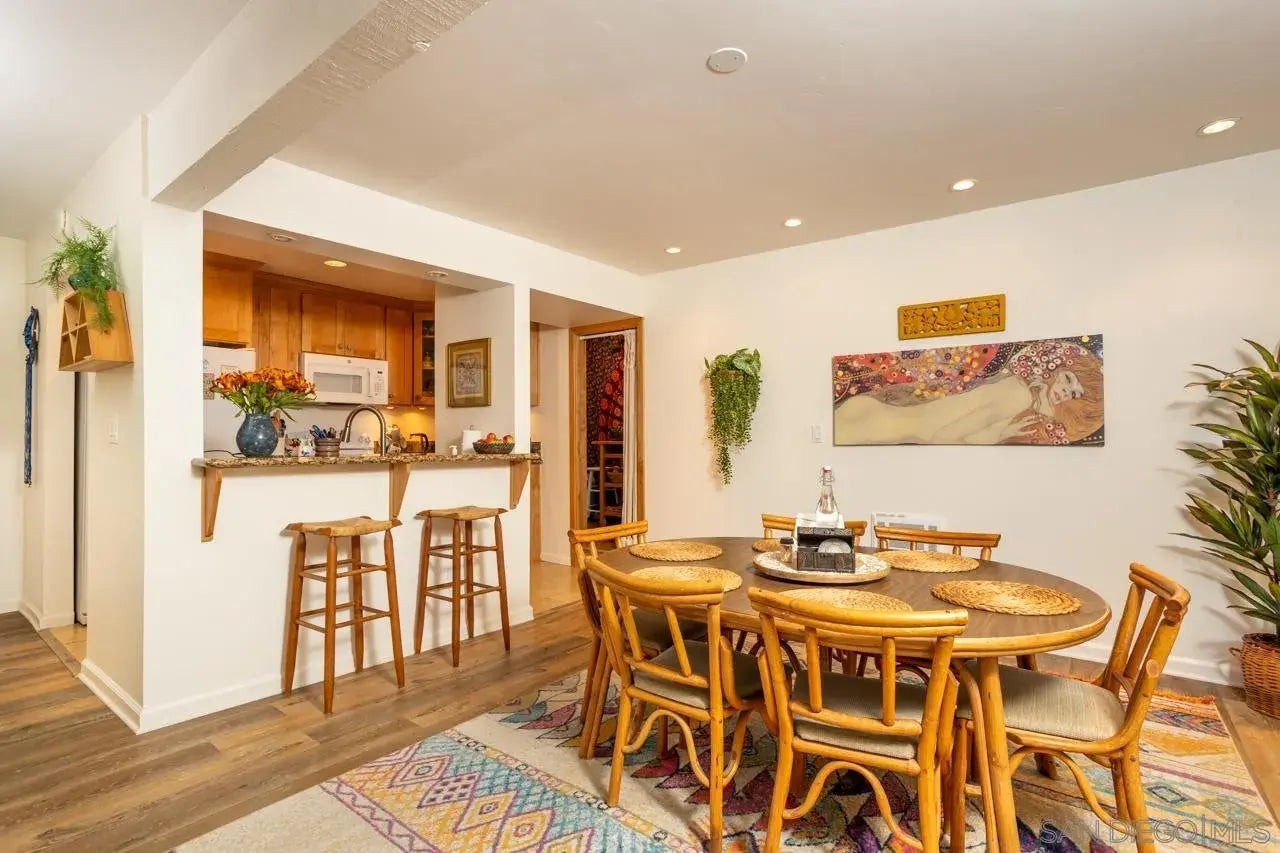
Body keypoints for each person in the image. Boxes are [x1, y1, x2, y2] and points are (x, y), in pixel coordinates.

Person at [832, 339, 1103, 445]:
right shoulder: (1018, 396)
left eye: (1074, 394)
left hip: (873, 416)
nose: (1065, 393)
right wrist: (998, 437)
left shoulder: (1018, 390)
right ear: (1055, 367)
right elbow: (943, 435)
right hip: (875, 426)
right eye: (1068, 380)